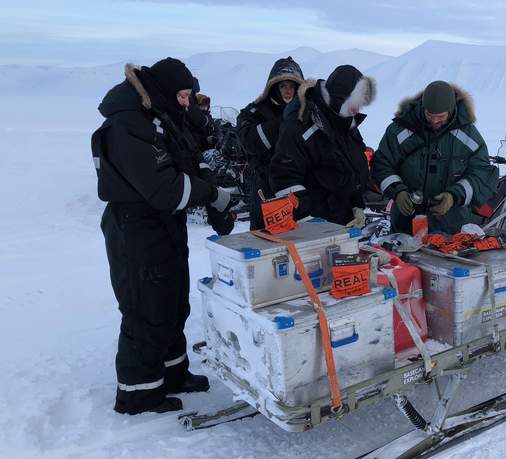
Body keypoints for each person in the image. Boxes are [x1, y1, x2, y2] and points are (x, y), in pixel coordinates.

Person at [91, 57, 234, 415]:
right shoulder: (128, 124)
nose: (187, 102)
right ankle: (138, 393)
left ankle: (173, 374)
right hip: (135, 227)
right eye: (184, 95)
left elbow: (188, 157)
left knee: (171, 302)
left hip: (164, 225)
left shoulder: (161, 118)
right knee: (144, 309)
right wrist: (211, 195)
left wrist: (211, 188)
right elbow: (164, 188)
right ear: (168, 91)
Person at [372, 80, 497, 234]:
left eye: (441, 116)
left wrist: (454, 196)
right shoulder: (399, 130)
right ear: (423, 108)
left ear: (451, 111)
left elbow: (481, 173)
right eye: (430, 115)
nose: (434, 120)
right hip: (404, 225)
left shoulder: (468, 136)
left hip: (451, 227)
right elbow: (381, 164)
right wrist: (397, 191)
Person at [270, 64, 376, 227]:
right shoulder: (300, 125)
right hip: (315, 225)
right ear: (339, 98)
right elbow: (284, 178)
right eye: (353, 103)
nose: (357, 110)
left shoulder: (345, 122)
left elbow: (353, 166)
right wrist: (307, 220)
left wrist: (356, 203)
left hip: (343, 221)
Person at [237, 57, 304, 230]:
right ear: (273, 87)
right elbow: (249, 141)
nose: (288, 91)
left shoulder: (305, 112)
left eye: (291, 86)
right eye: (283, 86)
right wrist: (283, 120)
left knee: (302, 242)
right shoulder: (255, 111)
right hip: (266, 189)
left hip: (300, 189)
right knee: (267, 244)